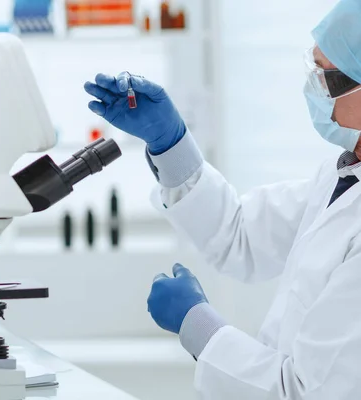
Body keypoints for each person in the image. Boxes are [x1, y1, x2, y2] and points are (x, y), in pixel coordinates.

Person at [85, 0, 361, 398]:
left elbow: (305, 392)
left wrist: (200, 328)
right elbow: (239, 235)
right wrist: (170, 143)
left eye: (331, 82)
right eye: (313, 69)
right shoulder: (342, 175)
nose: (314, 90)